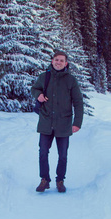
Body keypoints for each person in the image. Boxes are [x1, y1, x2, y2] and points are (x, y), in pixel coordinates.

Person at [31, 51, 84, 193]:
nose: (58, 62)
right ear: (52, 61)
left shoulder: (71, 80)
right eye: (56, 60)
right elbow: (34, 89)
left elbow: (78, 102)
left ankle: (60, 180)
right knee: (43, 152)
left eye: (61, 60)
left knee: (63, 155)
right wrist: (39, 95)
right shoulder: (44, 77)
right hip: (46, 121)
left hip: (64, 123)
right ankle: (44, 180)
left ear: (66, 63)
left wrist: (77, 122)